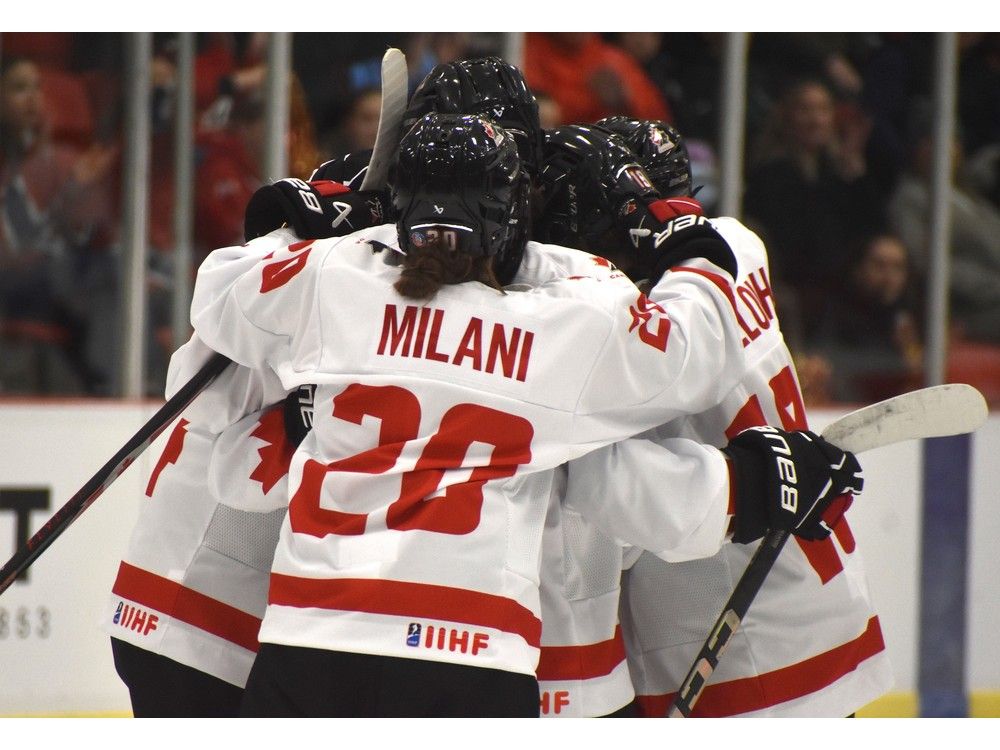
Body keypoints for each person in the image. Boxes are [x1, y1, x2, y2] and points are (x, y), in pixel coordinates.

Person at [186, 112, 862, 717]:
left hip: (308, 641)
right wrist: (683, 239)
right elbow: (696, 350)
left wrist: (310, 214)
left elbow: (220, 294)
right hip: (467, 660)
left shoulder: (336, 275)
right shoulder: (558, 329)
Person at [577, 117, 892, 718]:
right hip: (822, 593)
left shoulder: (631, 322)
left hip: (732, 641)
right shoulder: (738, 246)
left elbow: (613, 514)